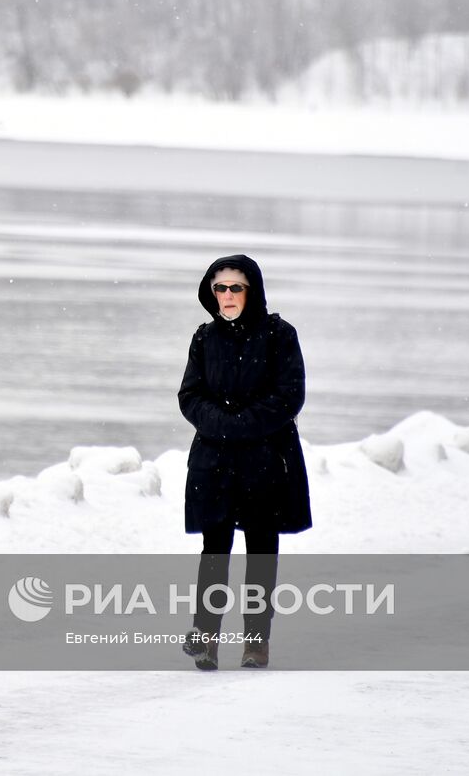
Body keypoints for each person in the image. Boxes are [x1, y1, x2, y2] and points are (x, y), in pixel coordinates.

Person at [177, 255, 311, 670]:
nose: (228, 295)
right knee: (213, 549)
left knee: (261, 549)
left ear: (251, 290)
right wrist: (222, 424)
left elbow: (290, 395)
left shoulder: (279, 335)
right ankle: (205, 638)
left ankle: (256, 642)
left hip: (266, 460)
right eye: (220, 288)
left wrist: (243, 424)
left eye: (236, 287)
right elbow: (190, 395)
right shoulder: (204, 338)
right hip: (214, 461)